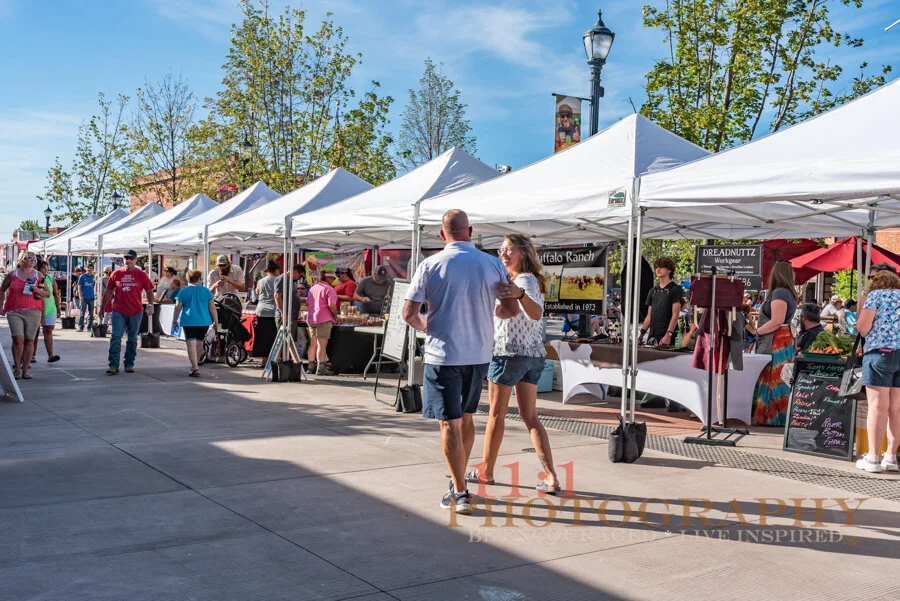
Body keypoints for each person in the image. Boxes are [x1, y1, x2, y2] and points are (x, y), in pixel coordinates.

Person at [402, 209, 519, 514]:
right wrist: (486, 311)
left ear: (443, 234)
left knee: (448, 422)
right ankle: (459, 482)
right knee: (466, 419)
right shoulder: (492, 264)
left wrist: (428, 326)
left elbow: (408, 314)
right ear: (470, 231)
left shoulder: (430, 265)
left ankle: (460, 491)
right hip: (479, 354)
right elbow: (510, 310)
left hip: (444, 354)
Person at [467, 233, 560, 494]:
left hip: (509, 354)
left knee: (496, 415)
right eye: (501, 249)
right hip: (532, 356)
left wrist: (519, 294)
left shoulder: (524, 280)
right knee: (530, 417)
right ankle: (551, 477)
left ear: (523, 253)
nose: (503, 254)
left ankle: (486, 471)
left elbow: (536, 313)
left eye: (509, 249)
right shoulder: (525, 280)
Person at [855, 270, 900, 473]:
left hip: (880, 353)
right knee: (896, 408)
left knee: (877, 406)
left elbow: (863, 327)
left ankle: (873, 457)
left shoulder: (876, 296)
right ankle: (891, 456)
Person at [751, 261, 798, 426]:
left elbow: (777, 320)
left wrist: (757, 332)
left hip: (777, 341)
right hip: (784, 339)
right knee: (779, 378)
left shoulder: (780, 293)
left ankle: (773, 418)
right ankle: (771, 417)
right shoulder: (787, 293)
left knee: (774, 378)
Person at [98, 250, 155, 375]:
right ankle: (113, 365)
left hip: (136, 311)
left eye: (131, 258)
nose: (128, 260)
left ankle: (129, 363)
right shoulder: (116, 273)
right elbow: (108, 291)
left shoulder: (141, 274)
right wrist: (102, 308)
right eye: (126, 258)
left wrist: (150, 305)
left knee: (132, 339)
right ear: (123, 259)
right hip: (119, 311)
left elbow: (149, 291)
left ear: (135, 259)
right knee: (116, 337)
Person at [0, 251, 48, 379]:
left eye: (34, 259)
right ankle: (17, 368)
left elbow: (46, 293)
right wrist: (0, 306)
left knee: (29, 340)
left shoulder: (39, 276)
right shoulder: (13, 274)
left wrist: (38, 290)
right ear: (22, 260)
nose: (32, 261)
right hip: (14, 311)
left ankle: (25, 370)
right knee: (18, 339)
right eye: (29, 258)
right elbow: (2, 289)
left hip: (33, 311)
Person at [172, 270, 218, 377]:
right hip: (204, 321)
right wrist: (216, 321)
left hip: (189, 320)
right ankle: (195, 365)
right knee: (199, 343)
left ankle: (195, 367)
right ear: (200, 279)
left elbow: (177, 307)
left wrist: (174, 320)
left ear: (188, 279)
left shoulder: (183, 291)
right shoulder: (206, 291)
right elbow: (213, 308)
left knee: (191, 343)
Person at [640, 257, 683, 346]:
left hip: (669, 336)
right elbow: (649, 316)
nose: (658, 269)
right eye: (656, 267)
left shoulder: (675, 289)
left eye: (661, 267)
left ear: (669, 270)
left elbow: (675, 315)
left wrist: (668, 334)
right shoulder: (653, 291)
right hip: (653, 336)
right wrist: (641, 334)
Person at [306, 270, 338, 375]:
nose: (333, 280)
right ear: (328, 278)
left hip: (312, 318)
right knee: (322, 345)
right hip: (324, 318)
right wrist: (335, 315)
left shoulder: (313, 288)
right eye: (332, 278)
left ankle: (310, 367)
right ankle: (320, 369)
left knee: (313, 344)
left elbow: (308, 303)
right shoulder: (329, 289)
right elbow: (332, 305)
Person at [253, 260, 279, 359]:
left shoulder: (260, 281)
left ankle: (264, 359)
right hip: (272, 310)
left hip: (261, 310)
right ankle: (270, 359)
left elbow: (257, 293)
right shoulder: (277, 280)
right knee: (272, 337)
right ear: (276, 270)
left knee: (262, 336)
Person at [274, 263, 304, 350]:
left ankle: (291, 357)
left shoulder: (291, 281)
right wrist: (283, 312)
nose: (300, 278)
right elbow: (277, 296)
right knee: (283, 341)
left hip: (291, 315)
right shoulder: (283, 279)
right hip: (286, 316)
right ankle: (279, 357)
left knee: (289, 341)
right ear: (295, 272)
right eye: (300, 276)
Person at [36, 260, 61, 363]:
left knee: (48, 331)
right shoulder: (35, 277)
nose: (46, 271)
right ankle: (32, 355)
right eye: (43, 268)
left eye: (47, 268)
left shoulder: (50, 278)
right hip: (37, 308)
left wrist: (58, 307)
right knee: (34, 333)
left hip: (50, 309)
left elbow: (55, 293)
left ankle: (50, 355)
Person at [76, 263, 96, 332]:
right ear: (86, 269)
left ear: (93, 269)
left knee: (91, 313)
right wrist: (80, 295)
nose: (89, 269)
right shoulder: (82, 276)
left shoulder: (94, 277)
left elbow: (95, 286)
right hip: (84, 297)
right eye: (88, 268)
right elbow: (79, 286)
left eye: (91, 268)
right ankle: (80, 327)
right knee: (82, 313)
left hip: (91, 297)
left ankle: (89, 327)